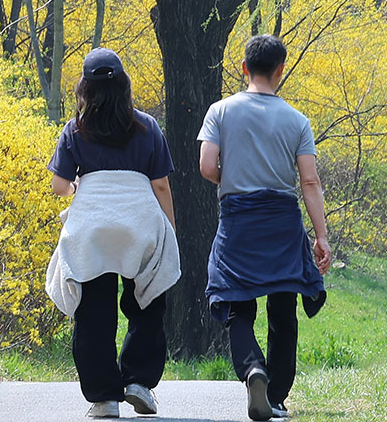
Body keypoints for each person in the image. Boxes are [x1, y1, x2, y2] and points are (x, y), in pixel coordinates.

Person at [198, 35, 331, 422]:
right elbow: (309, 182)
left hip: (238, 217)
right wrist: (320, 236)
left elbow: (207, 167)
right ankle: (276, 396)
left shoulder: (220, 111)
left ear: (244, 68)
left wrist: (232, 176)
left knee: (237, 302)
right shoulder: (296, 119)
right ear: (280, 71)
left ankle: (253, 368)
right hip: (282, 219)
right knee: (283, 307)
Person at [45, 48, 180, 419]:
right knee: (148, 301)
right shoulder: (147, 126)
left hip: (92, 228)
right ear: (124, 86)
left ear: (85, 89)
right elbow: (162, 187)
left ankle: (104, 398)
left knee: (93, 311)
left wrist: (79, 189)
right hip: (139, 222)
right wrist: (168, 230)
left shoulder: (75, 129)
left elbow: (59, 185)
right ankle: (138, 381)